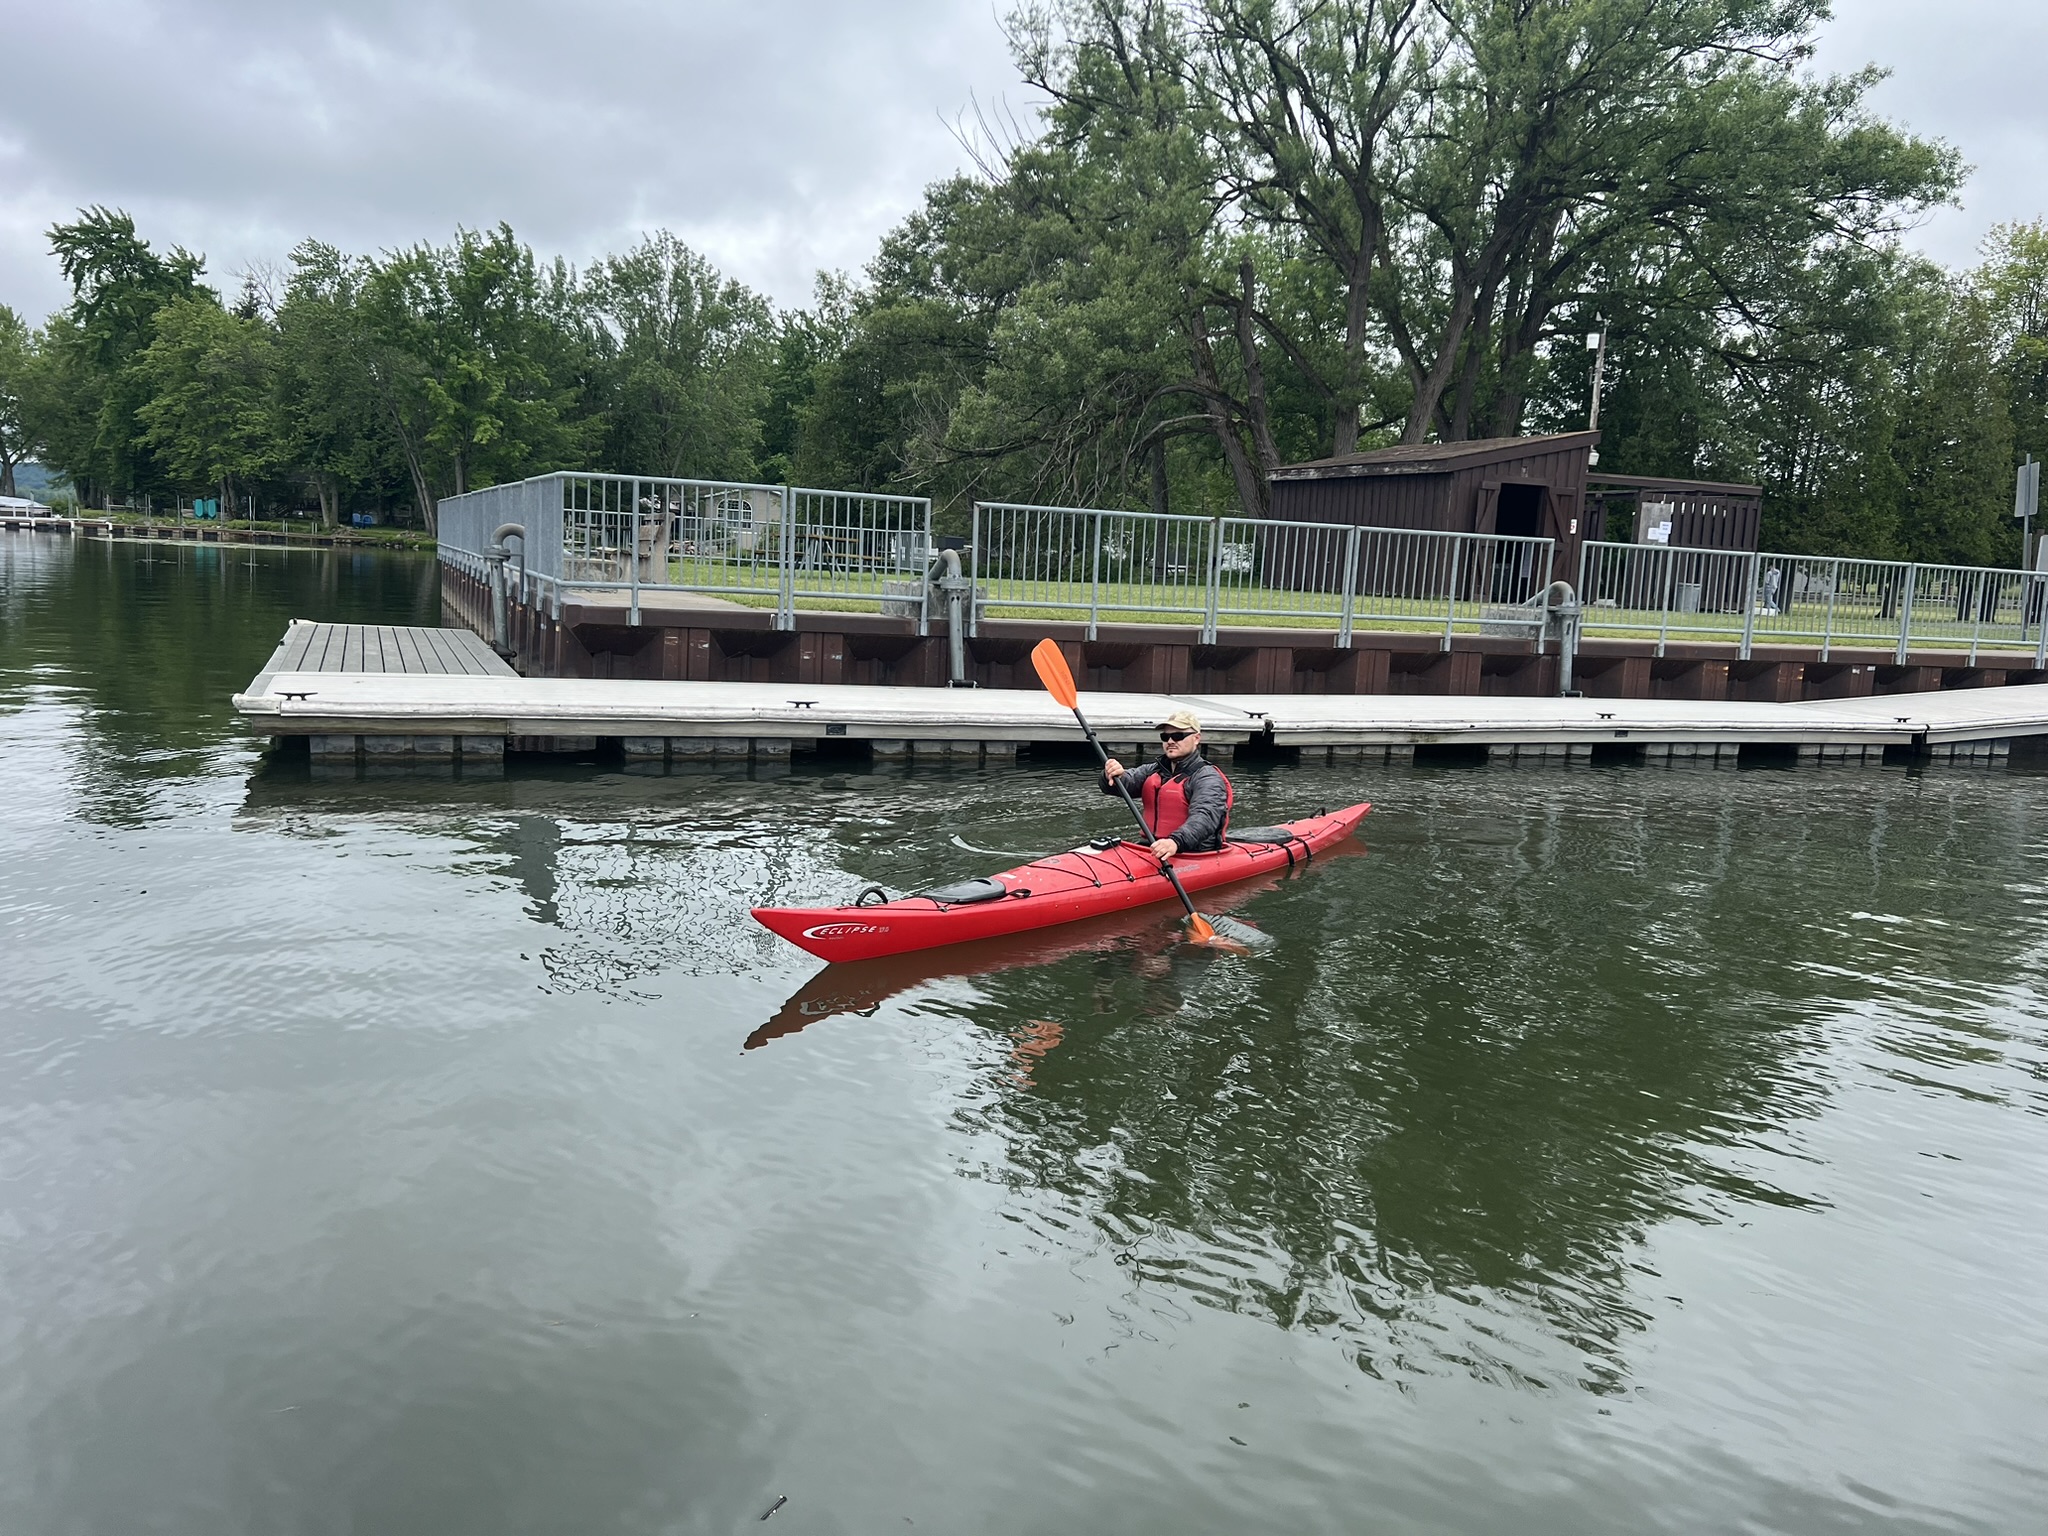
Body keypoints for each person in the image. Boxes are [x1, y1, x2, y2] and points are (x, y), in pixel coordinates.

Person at [1101, 708, 1233, 857]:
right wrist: (1111, 774)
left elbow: (1206, 816)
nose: (1170, 741)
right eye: (1165, 736)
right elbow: (1122, 784)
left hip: (1192, 851)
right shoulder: (1155, 769)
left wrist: (1175, 842)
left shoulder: (1207, 778)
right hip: (1151, 848)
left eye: (1178, 735)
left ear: (1196, 738)